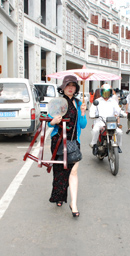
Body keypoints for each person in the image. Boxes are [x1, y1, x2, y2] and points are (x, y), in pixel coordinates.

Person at [48, 75, 87, 217]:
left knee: (73, 171)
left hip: (73, 142)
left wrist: (82, 112)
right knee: (59, 171)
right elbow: (48, 122)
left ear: (76, 88)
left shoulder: (78, 103)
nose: (70, 88)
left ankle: (73, 203)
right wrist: (53, 121)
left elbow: (82, 125)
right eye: (68, 85)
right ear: (63, 87)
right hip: (58, 141)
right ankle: (59, 196)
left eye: (73, 85)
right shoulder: (58, 102)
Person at [89, 83, 123, 154]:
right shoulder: (97, 101)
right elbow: (92, 110)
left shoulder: (113, 101)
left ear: (110, 93)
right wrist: (92, 115)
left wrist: (123, 113)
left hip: (111, 122)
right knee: (95, 130)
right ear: (101, 92)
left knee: (119, 132)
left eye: (107, 92)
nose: (106, 94)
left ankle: (118, 146)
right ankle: (94, 144)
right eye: (104, 92)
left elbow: (118, 110)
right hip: (100, 122)